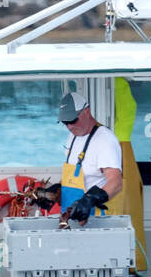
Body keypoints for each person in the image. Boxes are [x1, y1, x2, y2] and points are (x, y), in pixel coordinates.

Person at [42, 91, 124, 224]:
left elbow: (116, 183)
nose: (69, 126)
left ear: (86, 111)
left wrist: (89, 200)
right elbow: (76, 176)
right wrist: (57, 189)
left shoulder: (105, 139)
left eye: (73, 120)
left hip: (95, 218)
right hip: (70, 216)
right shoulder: (72, 137)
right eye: (65, 122)